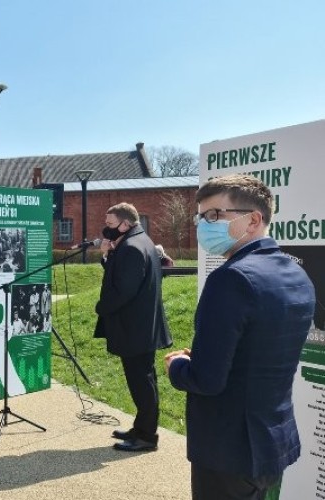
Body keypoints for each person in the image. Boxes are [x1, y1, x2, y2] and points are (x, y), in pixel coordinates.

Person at [166, 174, 315, 499]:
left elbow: (207, 381)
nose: (204, 225)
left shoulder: (230, 279)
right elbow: (258, 350)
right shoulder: (296, 274)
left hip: (229, 450)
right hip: (272, 443)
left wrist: (177, 366)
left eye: (215, 215)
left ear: (254, 219)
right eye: (201, 217)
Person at [94, 202, 172, 452]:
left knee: (142, 382)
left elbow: (123, 290)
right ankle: (141, 428)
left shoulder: (131, 247)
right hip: (140, 326)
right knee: (142, 380)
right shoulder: (141, 242)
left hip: (136, 328)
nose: (106, 229)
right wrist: (108, 255)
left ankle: (147, 437)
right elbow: (124, 275)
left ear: (125, 223)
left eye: (109, 224)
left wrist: (102, 307)